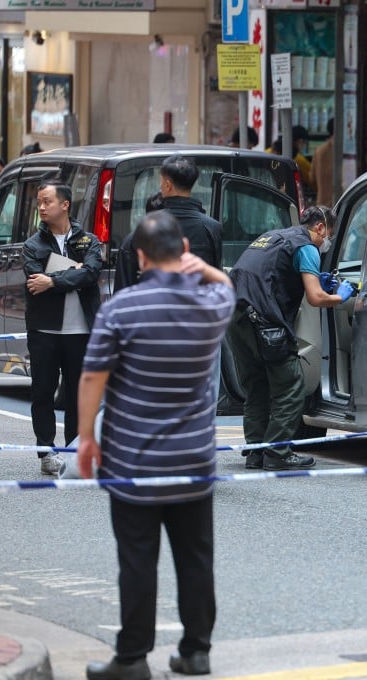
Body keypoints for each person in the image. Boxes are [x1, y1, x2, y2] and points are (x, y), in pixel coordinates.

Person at [77, 210, 234, 680]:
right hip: (193, 459)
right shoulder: (211, 303)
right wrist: (202, 267)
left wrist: (86, 437)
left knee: (138, 559)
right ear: (183, 251)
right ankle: (196, 650)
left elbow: (93, 377)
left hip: (132, 459)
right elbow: (226, 283)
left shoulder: (120, 308)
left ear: (140, 257)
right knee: (195, 557)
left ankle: (131, 658)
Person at [226, 205, 355, 471]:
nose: (326, 242)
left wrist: (317, 280)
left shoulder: (271, 237)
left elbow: (273, 273)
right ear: (319, 227)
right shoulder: (306, 247)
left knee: (257, 385)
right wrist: (341, 295)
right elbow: (315, 297)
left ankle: (256, 452)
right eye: (327, 235)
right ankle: (277, 452)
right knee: (291, 386)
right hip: (264, 322)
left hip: (235, 317)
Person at [23, 180, 103, 476]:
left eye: (47, 201)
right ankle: (46, 451)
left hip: (80, 330)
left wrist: (54, 280)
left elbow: (92, 273)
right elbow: (35, 282)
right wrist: (76, 272)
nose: (42, 207)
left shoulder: (88, 241)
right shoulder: (33, 245)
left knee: (78, 394)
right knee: (42, 392)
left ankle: (74, 448)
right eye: (40, 202)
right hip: (44, 330)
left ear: (65, 205)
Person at [114, 156, 221, 292]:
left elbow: (123, 288)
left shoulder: (145, 230)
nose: (160, 186)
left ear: (168, 185)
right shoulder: (212, 227)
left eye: (161, 181)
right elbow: (216, 282)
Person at [274, 125, 313, 192]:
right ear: (300, 141)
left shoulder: (268, 151)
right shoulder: (298, 159)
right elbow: (312, 180)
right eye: (304, 143)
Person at [311, 118, 335, 208]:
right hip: (342, 205)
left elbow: (312, 178)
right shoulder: (346, 152)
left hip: (322, 204)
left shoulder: (320, 151)